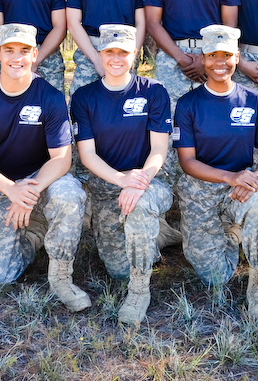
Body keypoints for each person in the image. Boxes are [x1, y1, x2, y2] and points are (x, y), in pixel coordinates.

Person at [0, 23, 90, 311]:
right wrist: (11, 189)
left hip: (40, 179)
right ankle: (33, 237)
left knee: (68, 194)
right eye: (9, 50)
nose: (16, 58)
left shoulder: (51, 96)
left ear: (35, 55)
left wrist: (28, 192)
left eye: (24, 51)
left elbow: (61, 159)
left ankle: (61, 277)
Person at [173, 24, 258, 323]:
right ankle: (232, 235)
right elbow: (187, 162)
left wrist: (256, 178)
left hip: (242, 184)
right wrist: (228, 177)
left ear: (237, 57)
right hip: (201, 188)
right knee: (215, 277)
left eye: (227, 55)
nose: (219, 62)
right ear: (202, 59)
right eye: (212, 55)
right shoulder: (188, 104)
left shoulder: (254, 101)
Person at [69, 25, 172, 325]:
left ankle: (139, 292)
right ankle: (160, 235)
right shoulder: (84, 97)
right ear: (100, 54)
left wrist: (139, 179)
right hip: (106, 187)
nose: (116, 58)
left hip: (148, 183)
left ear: (135, 53)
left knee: (138, 206)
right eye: (109, 52)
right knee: (117, 268)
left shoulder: (153, 92)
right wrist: (121, 180)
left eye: (123, 52)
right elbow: (87, 156)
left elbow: (158, 150)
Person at [145, 0, 240, 173]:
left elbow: (229, 23)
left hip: (213, 56)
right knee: (170, 121)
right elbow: (153, 22)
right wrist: (181, 57)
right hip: (172, 56)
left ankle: (209, 179)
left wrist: (206, 56)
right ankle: (170, 187)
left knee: (211, 118)